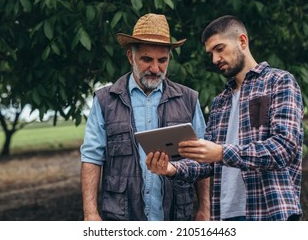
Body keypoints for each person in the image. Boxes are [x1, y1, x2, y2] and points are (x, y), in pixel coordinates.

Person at [147, 15, 304, 221]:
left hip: (270, 212)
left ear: (242, 41)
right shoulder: (220, 101)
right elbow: (207, 162)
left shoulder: (279, 82)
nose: (215, 59)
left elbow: (283, 149)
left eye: (220, 49)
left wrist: (221, 152)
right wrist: (172, 168)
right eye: (211, 53)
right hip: (226, 216)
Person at [80, 13, 210, 221]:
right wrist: (90, 213)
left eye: (162, 60)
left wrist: (205, 208)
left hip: (176, 216)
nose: (155, 68)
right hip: (122, 218)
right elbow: (92, 158)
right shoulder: (105, 100)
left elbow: (203, 158)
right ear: (131, 57)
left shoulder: (188, 99)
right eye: (147, 59)